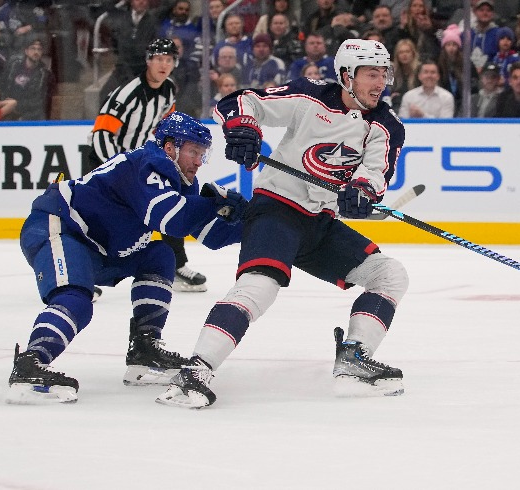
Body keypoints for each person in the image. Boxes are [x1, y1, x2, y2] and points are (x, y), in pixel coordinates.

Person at [155, 39, 408, 409]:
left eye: (384, 74)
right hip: (277, 210)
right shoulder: (311, 96)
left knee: (390, 275)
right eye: (371, 74)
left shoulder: (387, 125)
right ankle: (197, 370)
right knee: (259, 288)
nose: (380, 82)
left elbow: (376, 171)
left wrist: (361, 190)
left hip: (319, 223)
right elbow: (238, 102)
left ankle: (354, 357)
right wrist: (245, 130)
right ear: (346, 76)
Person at [5, 112, 246, 404]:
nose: (198, 161)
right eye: (194, 151)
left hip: (98, 246)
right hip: (59, 226)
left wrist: (256, 224)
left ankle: (144, 350)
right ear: (170, 147)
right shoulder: (147, 164)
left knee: (159, 256)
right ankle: (30, 364)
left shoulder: (180, 182)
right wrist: (214, 206)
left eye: (202, 154)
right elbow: (171, 219)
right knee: (76, 299)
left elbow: (212, 236)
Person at [90, 39, 207, 293]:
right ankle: (84, 276)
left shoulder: (168, 90)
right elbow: (101, 133)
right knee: (100, 220)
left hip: (137, 162)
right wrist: (114, 168)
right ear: (148, 60)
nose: (164, 64)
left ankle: (177, 265)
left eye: (170, 60)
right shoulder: (128, 93)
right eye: (159, 59)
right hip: (108, 160)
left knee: (169, 201)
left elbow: (165, 130)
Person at [3, 35, 52, 120]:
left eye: (39, 49)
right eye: (33, 48)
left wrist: (16, 104)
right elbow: (4, 86)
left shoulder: (45, 74)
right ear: (26, 51)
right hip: (8, 111)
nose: (36, 52)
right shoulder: (13, 66)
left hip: (31, 116)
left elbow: (40, 102)